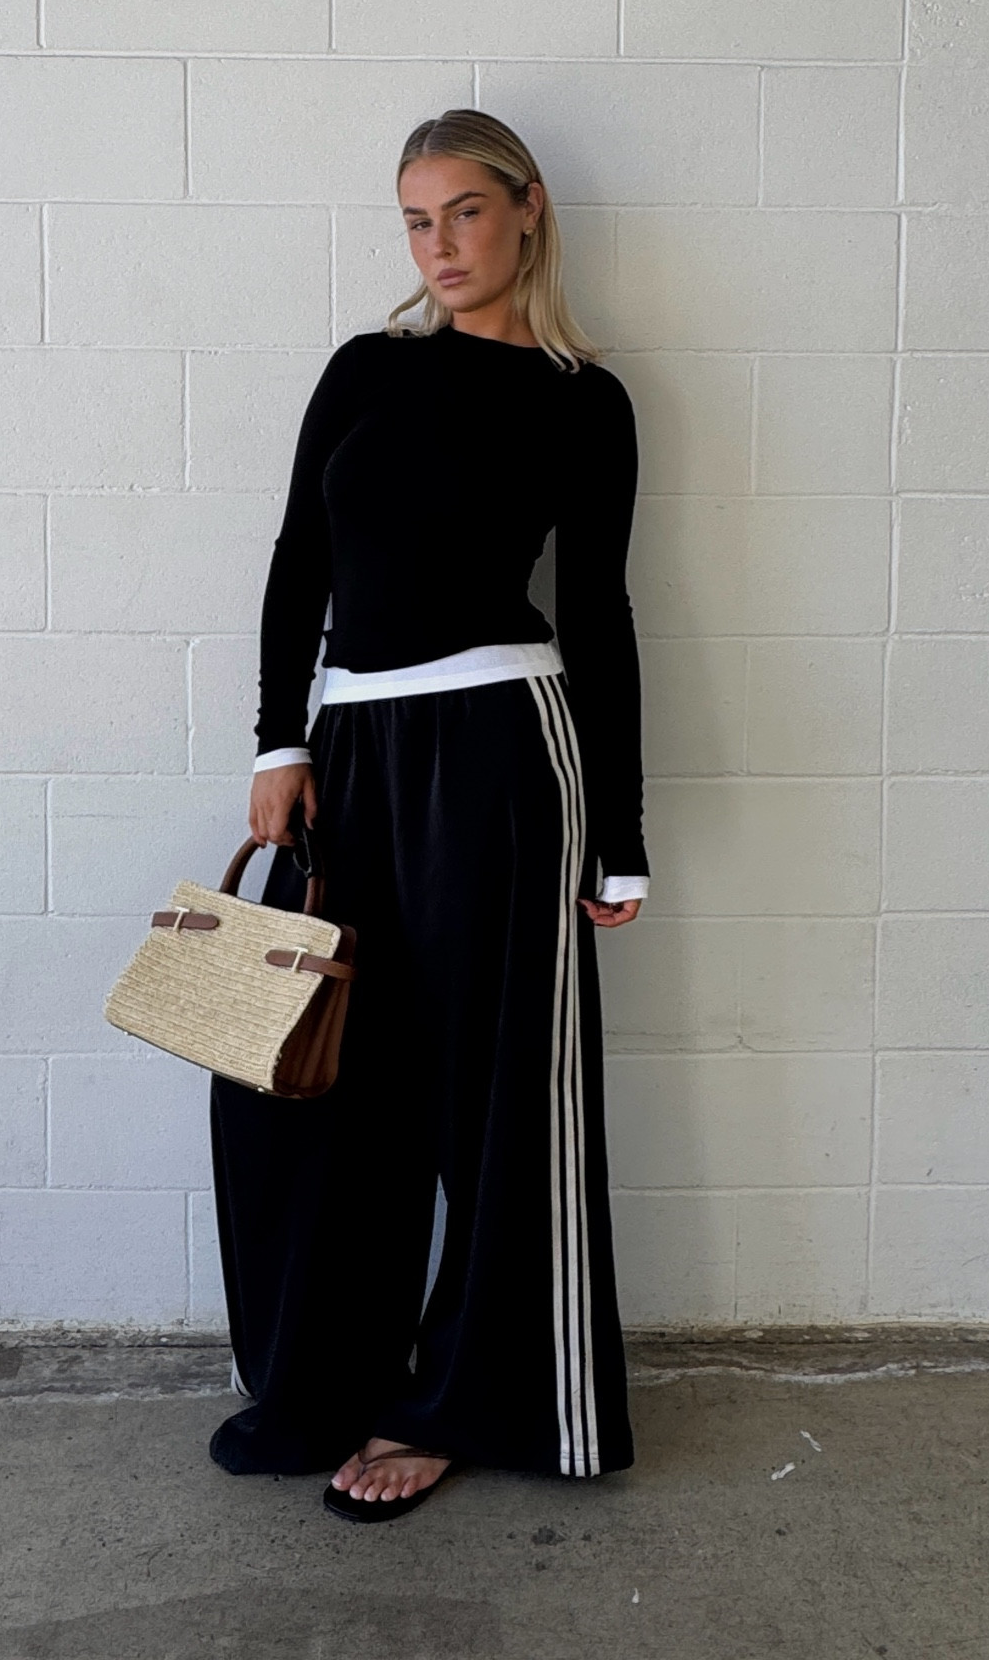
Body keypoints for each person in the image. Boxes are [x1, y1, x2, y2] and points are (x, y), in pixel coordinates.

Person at [207, 107, 649, 1524]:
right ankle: (323, 1377)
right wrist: (279, 738)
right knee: (317, 1075)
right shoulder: (366, 368)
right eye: (415, 219)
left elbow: (600, 615)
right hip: (350, 748)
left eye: (463, 211)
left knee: (497, 1096)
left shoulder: (583, 399)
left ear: (525, 209)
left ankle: (467, 1399)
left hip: (506, 749)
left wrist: (622, 833)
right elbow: (299, 559)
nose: (439, 246)